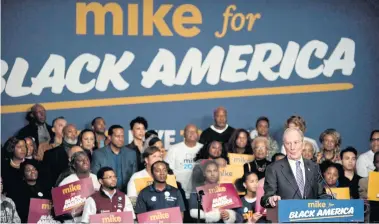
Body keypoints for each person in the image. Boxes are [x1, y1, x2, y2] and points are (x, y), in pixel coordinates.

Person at [262, 128, 324, 208]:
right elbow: (265, 198)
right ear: (284, 146)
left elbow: (321, 194)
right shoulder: (273, 168)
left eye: (296, 142)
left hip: (311, 217)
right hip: (286, 216)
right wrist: (270, 199)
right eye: (288, 143)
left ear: (302, 144)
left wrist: (332, 201)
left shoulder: (313, 167)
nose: (292, 147)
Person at [91, 125, 137, 193]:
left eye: (122, 136)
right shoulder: (98, 154)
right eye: (117, 136)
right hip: (105, 194)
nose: (121, 139)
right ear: (109, 137)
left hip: (127, 193)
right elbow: (96, 178)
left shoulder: (131, 153)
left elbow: (134, 177)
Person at [165, 124, 203, 199]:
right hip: (178, 193)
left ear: (198, 134)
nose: (192, 133)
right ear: (184, 134)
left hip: (198, 193)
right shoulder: (174, 149)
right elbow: (168, 170)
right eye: (189, 131)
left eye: (194, 131)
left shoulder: (203, 148)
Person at [42, 124, 78, 189]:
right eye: (70, 132)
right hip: (61, 189)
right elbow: (47, 178)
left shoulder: (84, 152)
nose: (73, 134)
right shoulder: (51, 154)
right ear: (63, 134)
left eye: (75, 132)